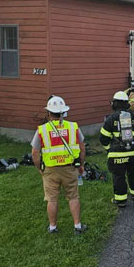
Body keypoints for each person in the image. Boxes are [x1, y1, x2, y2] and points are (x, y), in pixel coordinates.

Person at [30, 96, 88, 234]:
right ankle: (77, 226)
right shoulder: (73, 126)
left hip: (50, 170)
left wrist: (39, 168)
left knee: (52, 199)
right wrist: (81, 164)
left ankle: (53, 227)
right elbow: (82, 148)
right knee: (73, 197)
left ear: (49, 113)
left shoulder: (42, 130)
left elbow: (34, 153)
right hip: (70, 168)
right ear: (63, 113)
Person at [100, 92, 134, 208]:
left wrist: (109, 150)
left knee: (118, 176)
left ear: (114, 104)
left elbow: (103, 138)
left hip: (117, 155)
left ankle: (121, 200)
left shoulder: (110, 119)